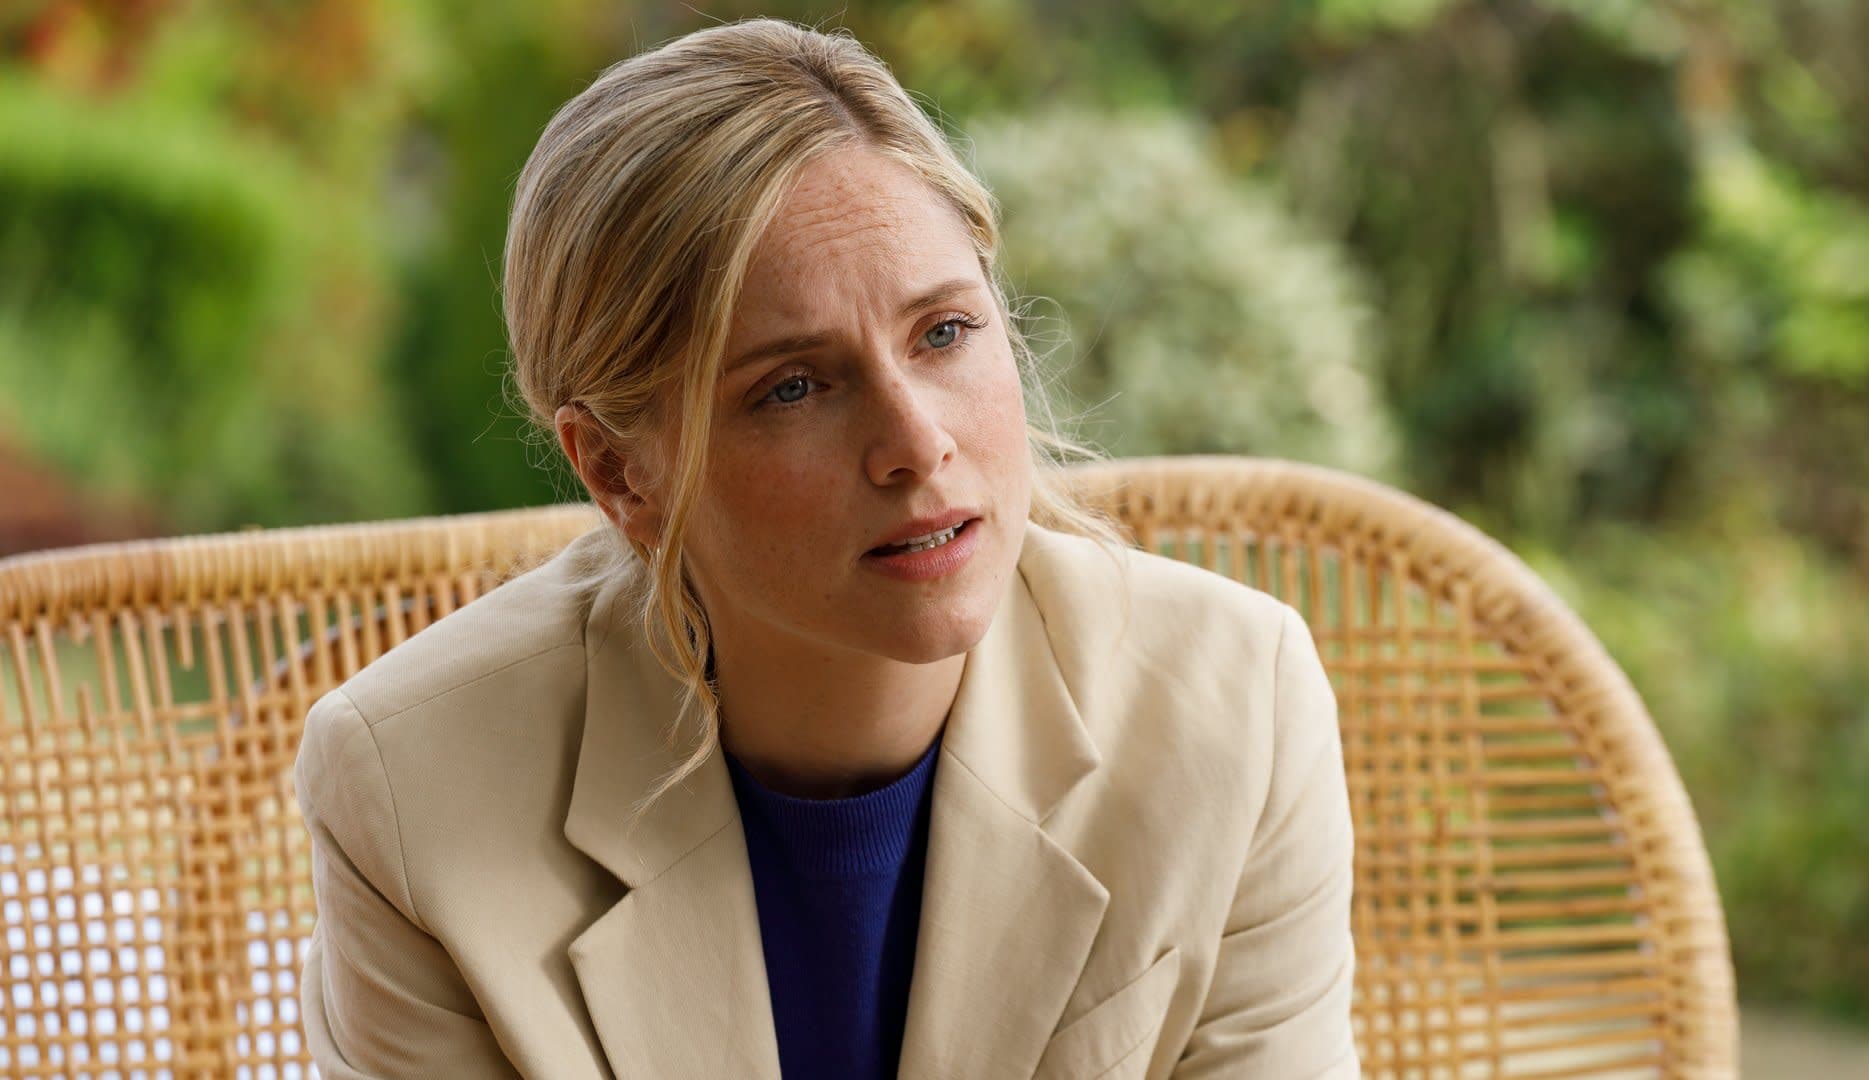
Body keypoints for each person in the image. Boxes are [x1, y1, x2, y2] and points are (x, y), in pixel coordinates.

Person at [293, 16, 1358, 1080]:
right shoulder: (410, 788)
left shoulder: (1232, 705)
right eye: (794, 387)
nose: (916, 444)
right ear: (620, 473)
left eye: (944, 332)